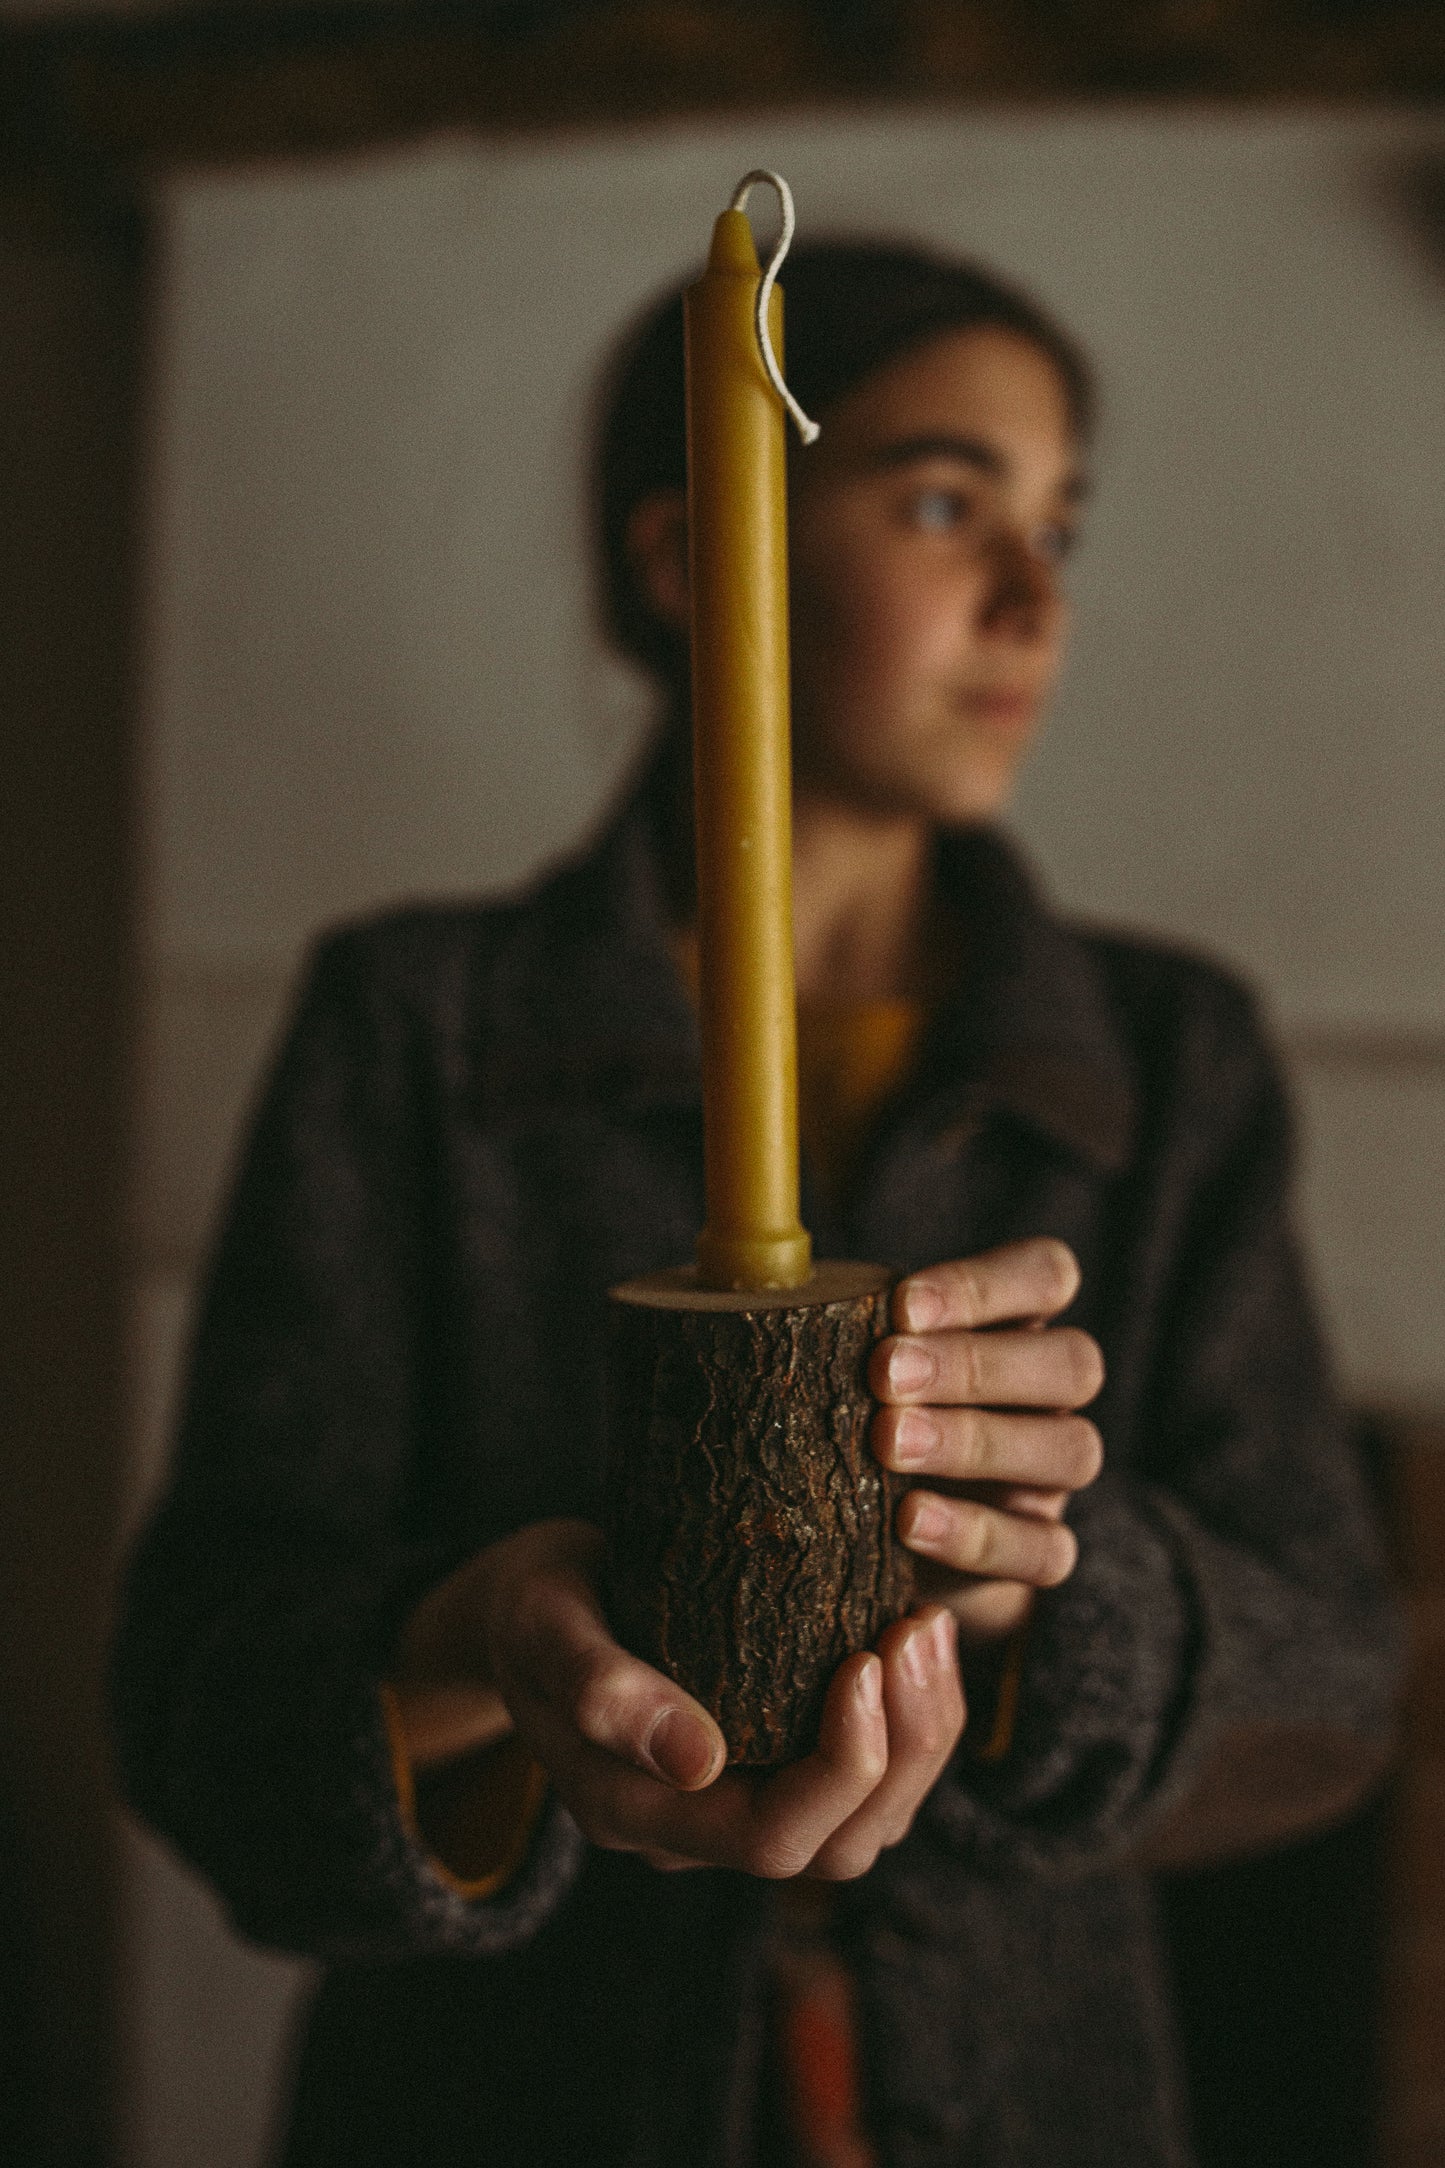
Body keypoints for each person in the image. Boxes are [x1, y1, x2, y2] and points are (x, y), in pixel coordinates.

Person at [112, 237, 1400, 2168]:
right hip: (500, 2105)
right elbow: (203, 1684)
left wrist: (1050, 1588)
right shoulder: (423, 1030)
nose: (1032, 593)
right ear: (690, 556)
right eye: (947, 501)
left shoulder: (1160, 1058)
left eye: (1061, 521)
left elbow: (1334, 1677)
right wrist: (477, 1644)